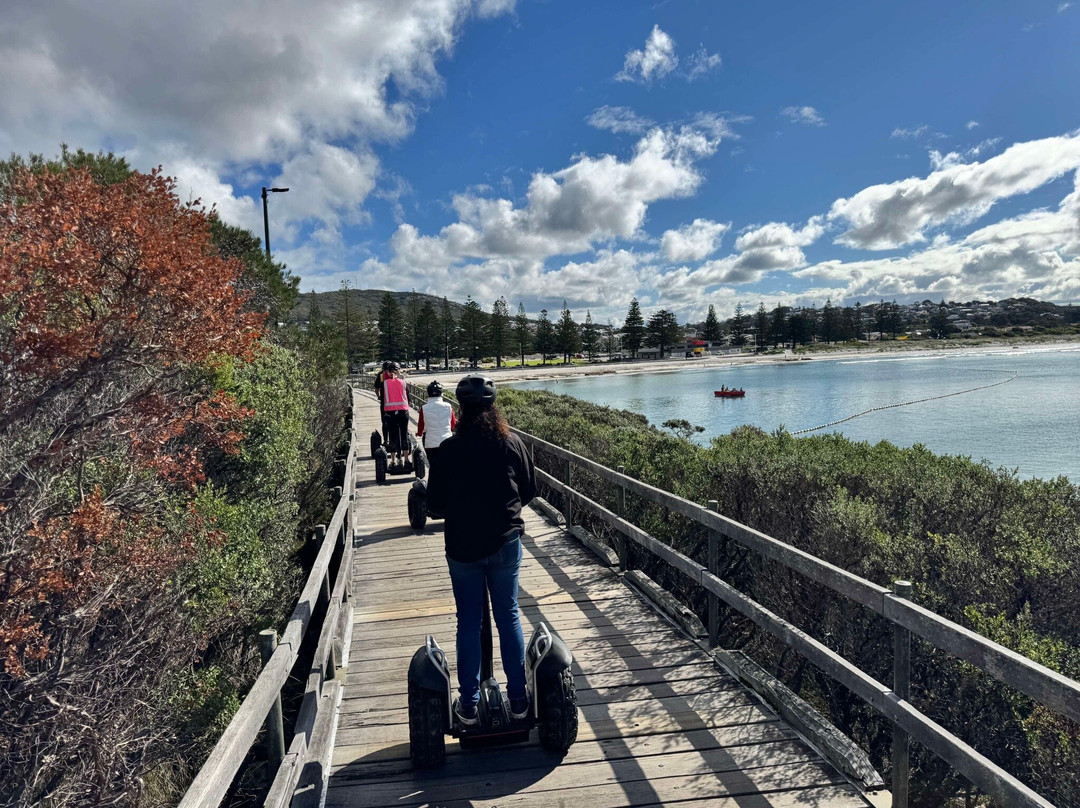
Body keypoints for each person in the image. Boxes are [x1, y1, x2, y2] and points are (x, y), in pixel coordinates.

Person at [427, 375, 536, 725]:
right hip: (505, 543)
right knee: (509, 616)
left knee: (469, 623)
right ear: (493, 407)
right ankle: (519, 701)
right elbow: (529, 490)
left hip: (462, 547)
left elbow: (436, 505)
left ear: (461, 409)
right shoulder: (512, 442)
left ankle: (469, 706)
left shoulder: (447, 450)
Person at [417, 380, 456, 478]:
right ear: (441, 393)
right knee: (448, 465)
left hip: (431, 444)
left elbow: (421, 425)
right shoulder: (448, 406)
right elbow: (453, 424)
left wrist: (419, 433)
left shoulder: (424, 408)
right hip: (447, 441)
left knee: (433, 466)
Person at [380, 363, 411, 469]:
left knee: (392, 436)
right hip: (403, 411)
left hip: (390, 413)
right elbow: (408, 397)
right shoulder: (403, 383)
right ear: (399, 371)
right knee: (404, 435)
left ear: (388, 372)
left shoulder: (384, 384)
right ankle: (406, 460)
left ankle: (393, 461)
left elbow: (382, 399)